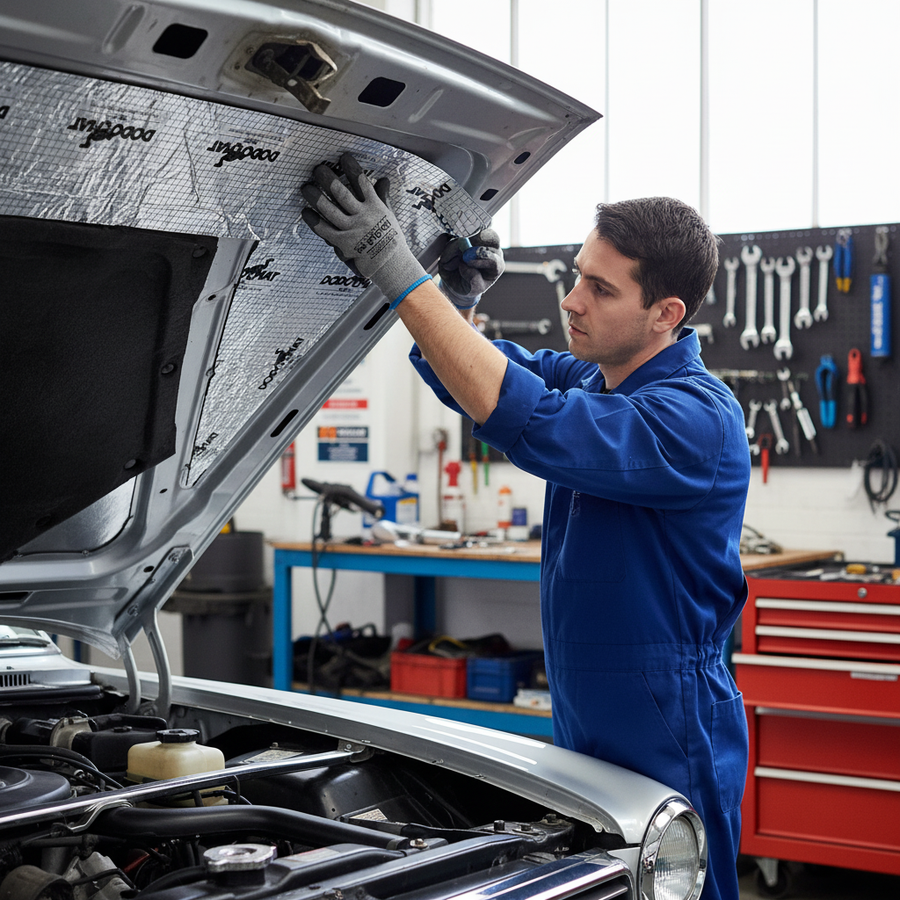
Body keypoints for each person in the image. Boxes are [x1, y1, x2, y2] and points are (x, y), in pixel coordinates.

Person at [301, 152, 751, 900]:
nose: (573, 301)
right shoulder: (598, 375)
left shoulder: (697, 421)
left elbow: (526, 416)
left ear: (665, 313)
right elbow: (480, 376)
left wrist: (396, 267)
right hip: (587, 705)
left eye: (601, 289)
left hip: (671, 717)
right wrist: (454, 299)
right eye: (578, 275)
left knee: (680, 885)